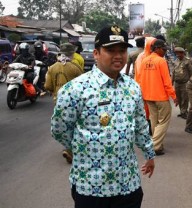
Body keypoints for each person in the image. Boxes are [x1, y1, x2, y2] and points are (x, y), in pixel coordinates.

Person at [51, 25, 155, 207]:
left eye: (122, 50)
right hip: (91, 187)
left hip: (128, 184)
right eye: (110, 50)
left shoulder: (133, 88)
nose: (118, 55)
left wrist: (149, 154)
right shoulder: (75, 89)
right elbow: (59, 130)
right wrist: (84, 148)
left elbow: (140, 125)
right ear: (96, 53)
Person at [45, 43, 83, 164]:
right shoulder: (76, 67)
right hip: (74, 101)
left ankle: (68, 147)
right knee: (75, 125)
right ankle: (70, 149)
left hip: (58, 101)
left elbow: (48, 86)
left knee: (64, 125)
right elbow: (83, 86)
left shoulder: (52, 67)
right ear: (73, 53)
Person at [139, 39, 178, 156]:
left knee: (154, 120)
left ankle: (159, 146)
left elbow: (141, 79)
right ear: (157, 48)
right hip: (160, 96)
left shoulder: (144, 60)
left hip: (148, 96)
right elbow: (167, 81)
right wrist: (174, 95)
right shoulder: (161, 61)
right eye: (163, 49)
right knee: (164, 120)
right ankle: (154, 145)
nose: (165, 51)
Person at [172, 47, 192, 119]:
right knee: (179, 98)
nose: (177, 55)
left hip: (185, 83)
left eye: (179, 53)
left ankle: (184, 112)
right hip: (177, 83)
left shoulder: (188, 61)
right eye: (176, 53)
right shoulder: (175, 61)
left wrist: (191, 82)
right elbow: (173, 72)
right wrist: (171, 82)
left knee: (185, 98)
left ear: (182, 53)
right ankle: (182, 111)